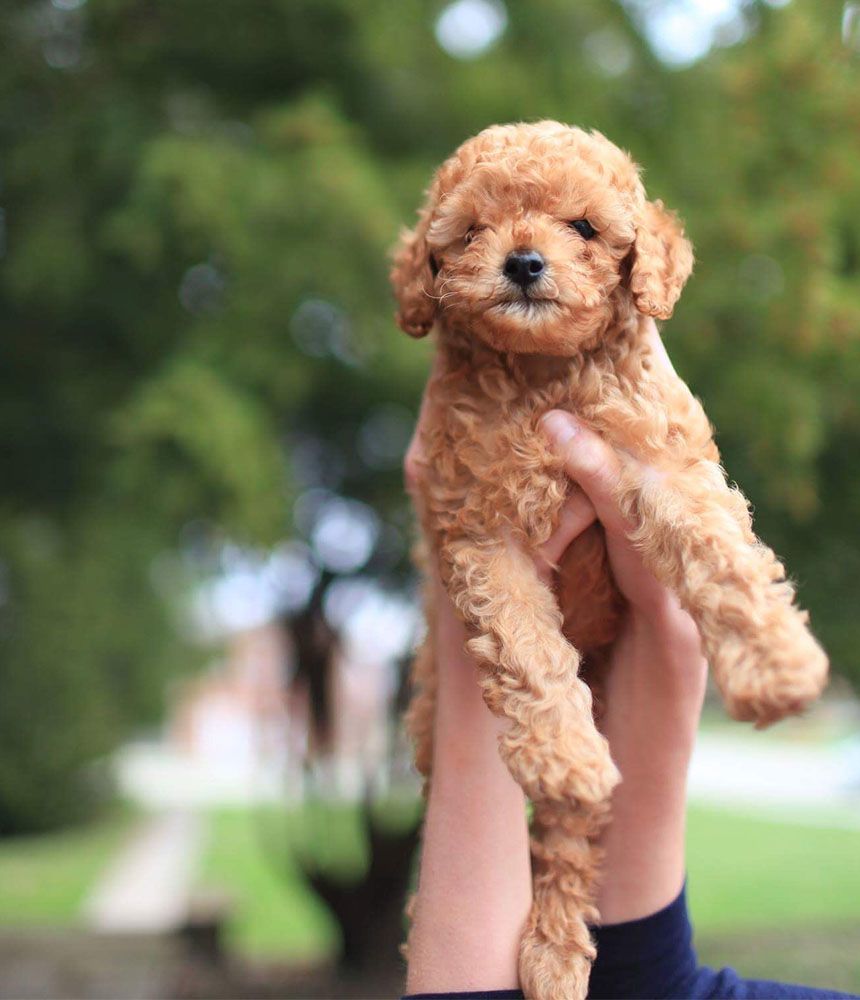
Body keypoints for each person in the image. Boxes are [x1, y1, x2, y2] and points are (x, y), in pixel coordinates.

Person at [402, 323, 856, 1000]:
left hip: (573, 645)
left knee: (571, 804)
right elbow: (648, 991)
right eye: (473, 235)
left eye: (583, 230)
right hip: (563, 647)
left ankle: (561, 922)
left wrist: (468, 648)